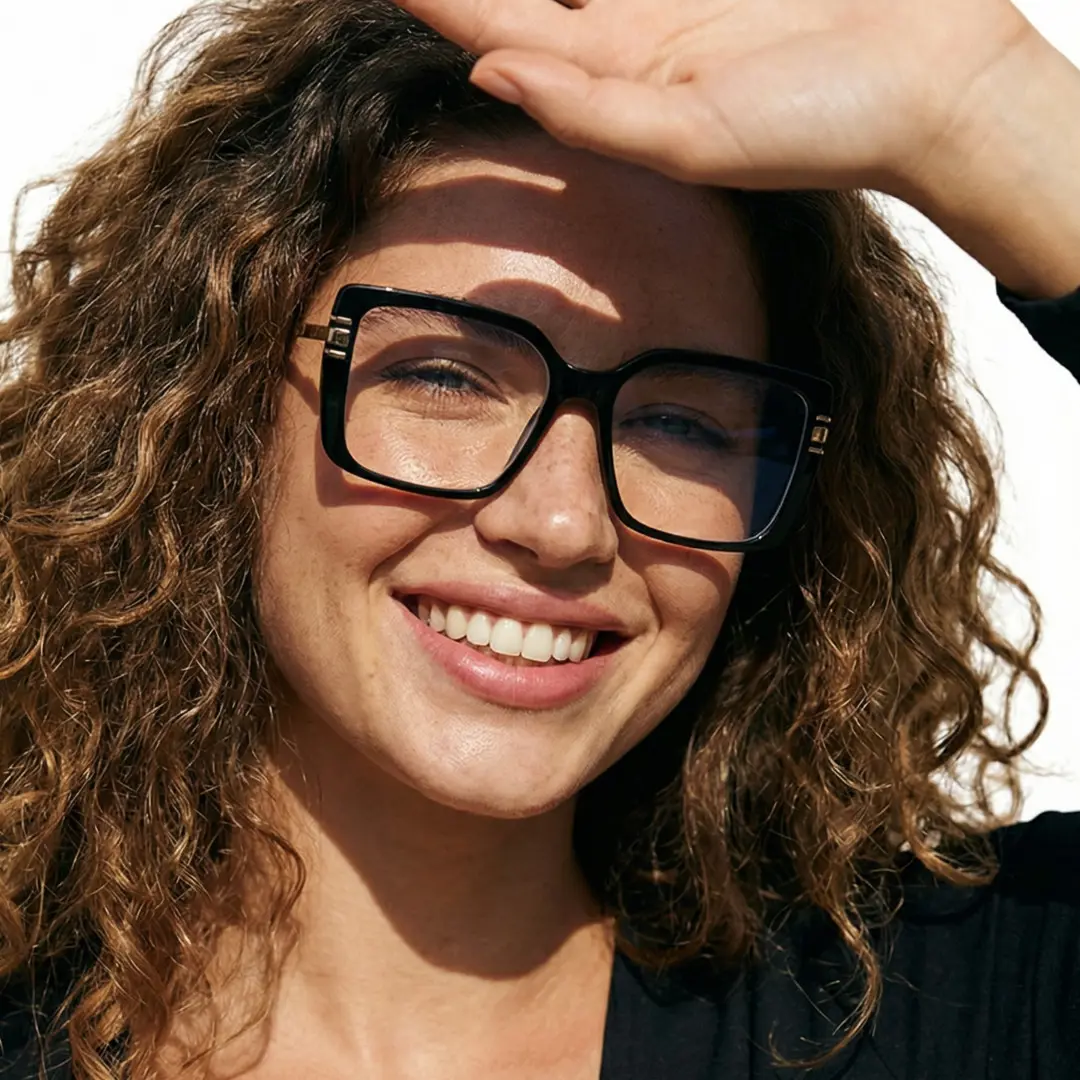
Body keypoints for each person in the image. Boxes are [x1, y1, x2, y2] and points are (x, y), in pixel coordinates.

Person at [0, 0, 1077, 1076]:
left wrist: (984, 109)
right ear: (212, 406)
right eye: (442, 376)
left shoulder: (954, 1007)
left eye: (680, 420)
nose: (563, 522)